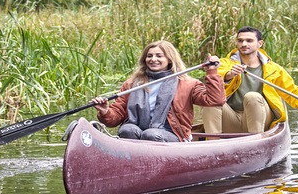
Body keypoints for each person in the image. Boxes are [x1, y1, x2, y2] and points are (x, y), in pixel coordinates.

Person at [91, 41, 224, 142]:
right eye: (149, 56)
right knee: (127, 129)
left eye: (159, 56)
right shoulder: (132, 84)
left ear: (170, 59)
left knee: (150, 134)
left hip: (172, 134)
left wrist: (211, 72)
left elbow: (215, 100)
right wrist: (105, 111)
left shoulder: (188, 84)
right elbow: (114, 119)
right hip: (139, 131)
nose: (153, 59)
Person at [201, 27, 298, 134]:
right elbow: (217, 75)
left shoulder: (274, 69)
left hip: (261, 120)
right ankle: (212, 144)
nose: (244, 44)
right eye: (240, 40)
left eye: (249, 40)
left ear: (260, 43)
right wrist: (229, 75)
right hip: (232, 119)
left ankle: (256, 141)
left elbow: (292, 92)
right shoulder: (226, 63)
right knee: (211, 101)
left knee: (252, 96)